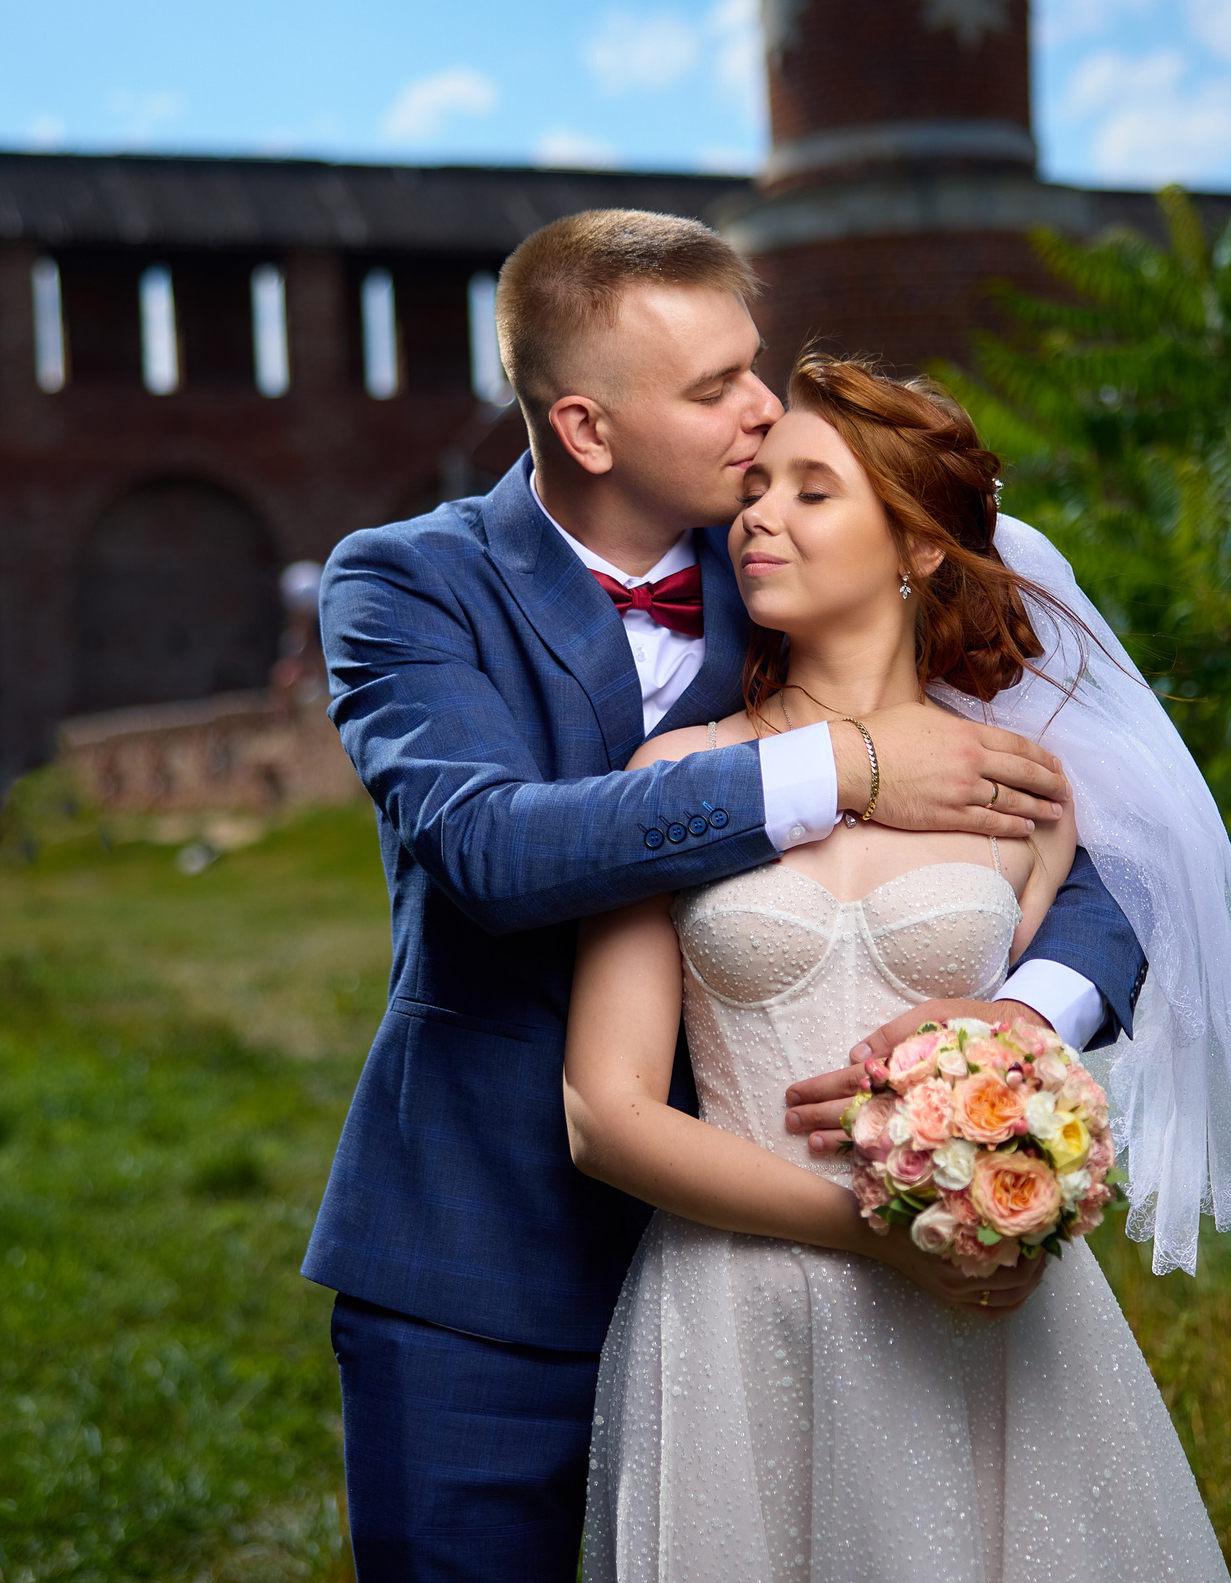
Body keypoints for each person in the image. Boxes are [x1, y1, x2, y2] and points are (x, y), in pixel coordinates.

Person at [304, 211, 1153, 1582]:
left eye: (753, 366)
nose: (764, 414)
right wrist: (848, 766)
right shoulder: (407, 583)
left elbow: (1105, 868)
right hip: (479, 1268)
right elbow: (490, 851)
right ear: (587, 429)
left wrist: (996, 1033)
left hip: (787, 1275)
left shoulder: (793, 560)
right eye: (714, 390)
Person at [566, 356, 1231, 1580]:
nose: (757, 513)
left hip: (976, 1313)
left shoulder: (1021, 793)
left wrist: (1015, 1122)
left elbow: (1065, 1052)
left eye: (813, 490)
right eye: (754, 486)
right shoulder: (676, 779)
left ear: (916, 546)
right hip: (732, 1308)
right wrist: (871, 1232)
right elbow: (605, 1114)